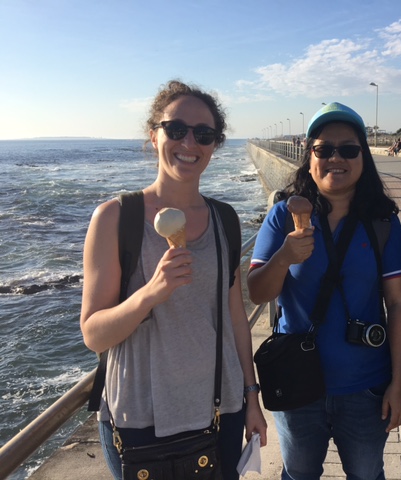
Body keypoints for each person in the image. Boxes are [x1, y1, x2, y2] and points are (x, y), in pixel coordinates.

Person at [80, 80, 267, 479]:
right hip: (142, 417)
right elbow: (94, 334)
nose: (189, 142)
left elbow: (235, 319)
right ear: (154, 135)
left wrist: (252, 397)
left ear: (215, 145)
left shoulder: (225, 220)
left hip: (221, 407)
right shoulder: (116, 218)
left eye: (204, 134)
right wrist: (150, 293)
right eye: (176, 129)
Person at [248, 102, 401, 480]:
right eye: (324, 149)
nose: (336, 158)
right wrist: (284, 257)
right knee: (298, 474)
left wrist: (399, 384)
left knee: (367, 475)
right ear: (310, 158)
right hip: (296, 384)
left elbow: (400, 304)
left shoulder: (383, 222)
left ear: (363, 158)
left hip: (366, 385)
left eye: (349, 149)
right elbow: (257, 292)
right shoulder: (284, 215)